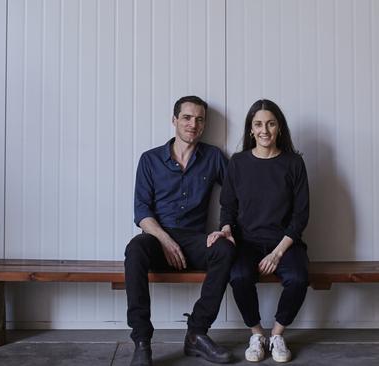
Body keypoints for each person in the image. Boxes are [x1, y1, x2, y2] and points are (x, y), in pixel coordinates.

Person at [125, 96, 235, 366]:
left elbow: (234, 195)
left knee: (225, 248)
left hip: (195, 239)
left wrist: (223, 229)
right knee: (135, 249)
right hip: (157, 238)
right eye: (186, 117)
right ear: (174, 120)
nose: (193, 124)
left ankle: (197, 333)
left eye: (199, 119)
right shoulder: (150, 160)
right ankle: (141, 341)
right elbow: (141, 211)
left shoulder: (213, 157)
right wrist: (164, 240)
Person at [207, 99, 310, 363]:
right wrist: (227, 230)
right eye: (258, 124)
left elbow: (301, 216)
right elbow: (227, 205)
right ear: (251, 130)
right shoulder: (238, 163)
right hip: (247, 242)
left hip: (285, 243)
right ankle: (257, 334)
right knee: (239, 275)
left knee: (298, 278)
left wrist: (277, 254)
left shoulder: (293, 163)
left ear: (279, 128)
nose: (265, 130)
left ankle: (277, 335)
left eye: (271, 123)